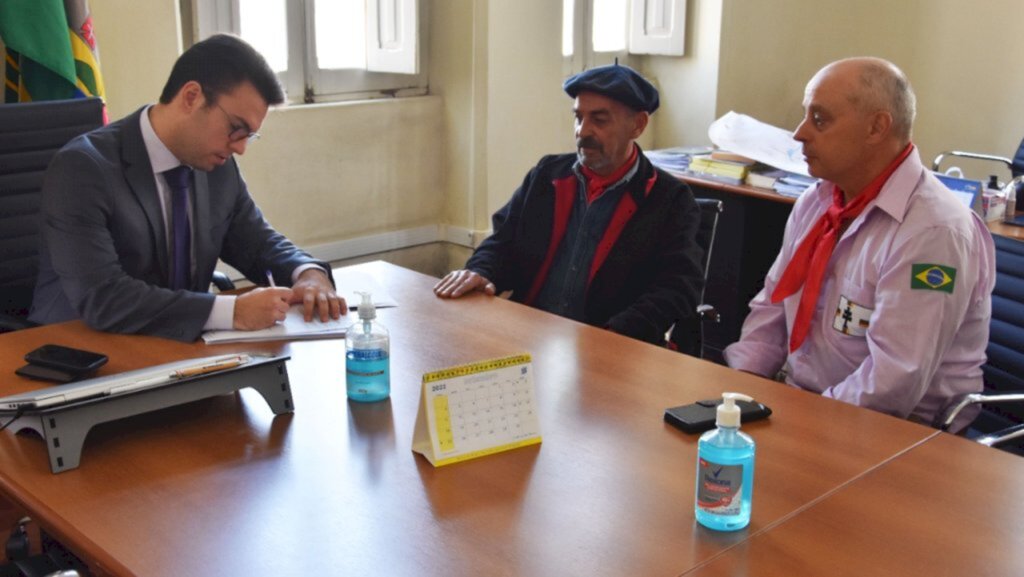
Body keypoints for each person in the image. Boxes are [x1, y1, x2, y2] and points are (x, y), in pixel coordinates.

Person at [724, 57, 995, 432]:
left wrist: (801, 423)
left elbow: (893, 384)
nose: (800, 133)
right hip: (805, 404)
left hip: (900, 434)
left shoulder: (933, 231)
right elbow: (771, 308)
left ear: (876, 128)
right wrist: (740, 394)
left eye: (819, 119)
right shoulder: (818, 202)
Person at [30, 34, 345, 342]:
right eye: (236, 129)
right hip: (82, 353)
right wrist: (232, 312)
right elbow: (103, 297)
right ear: (191, 97)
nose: (240, 148)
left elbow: (255, 239)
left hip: (180, 352)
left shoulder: (216, 165)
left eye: (248, 136)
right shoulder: (83, 168)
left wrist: (306, 273)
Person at [433, 64, 704, 346]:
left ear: (638, 125)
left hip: (612, 348)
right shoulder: (548, 175)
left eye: (599, 120)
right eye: (578, 117)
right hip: (530, 336)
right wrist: (481, 271)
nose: (582, 131)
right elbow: (504, 241)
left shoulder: (670, 199)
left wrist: (616, 333)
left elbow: (678, 287)